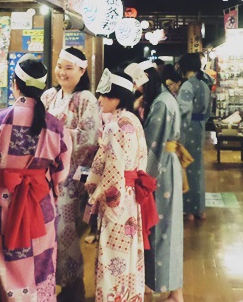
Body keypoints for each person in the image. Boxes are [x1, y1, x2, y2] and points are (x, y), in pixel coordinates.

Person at [0, 56, 72, 301]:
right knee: (42, 267)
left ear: (15, 84)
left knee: (9, 269)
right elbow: (61, 173)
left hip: (2, 207)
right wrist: (53, 186)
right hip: (41, 204)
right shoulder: (56, 127)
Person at [86, 70, 155, 302]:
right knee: (130, 253)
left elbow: (111, 172)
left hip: (115, 199)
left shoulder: (114, 126)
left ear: (116, 98)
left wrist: (94, 191)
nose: (99, 99)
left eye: (104, 95)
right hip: (131, 196)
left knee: (112, 256)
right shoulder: (133, 121)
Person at [40, 48, 100, 301]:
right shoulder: (48, 96)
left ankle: (73, 287)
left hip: (73, 180)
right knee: (48, 234)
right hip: (46, 178)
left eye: (69, 68)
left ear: (82, 71)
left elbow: (90, 139)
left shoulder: (86, 99)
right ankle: (49, 285)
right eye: (59, 66)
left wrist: (56, 133)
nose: (62, 72)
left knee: (67, 234)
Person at [143, 64, 185, 301]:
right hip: (169, 164)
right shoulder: (165, 98)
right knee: (167, 228)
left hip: (162, 169)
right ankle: (168, 287)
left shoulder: (161, 103)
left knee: (162, 229)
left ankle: (171, 289)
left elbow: (153, 145)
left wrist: (145, 178)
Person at [178, 53, 211, 221]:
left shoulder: (187, 86)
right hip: (199, 127)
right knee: (197, 168)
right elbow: (208, 111)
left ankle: (188, 209)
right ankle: (200, 208)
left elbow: (183, 109)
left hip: (187, 128)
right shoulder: (204, 85)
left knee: (186, 166)